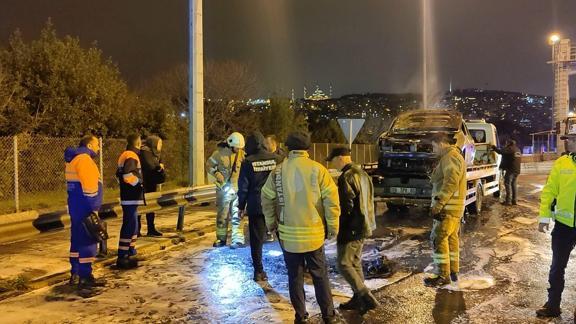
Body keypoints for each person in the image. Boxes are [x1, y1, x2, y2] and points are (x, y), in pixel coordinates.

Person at [262, 131, 341, 324]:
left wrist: (271, 223)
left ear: (288, 148)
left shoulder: (278, 171)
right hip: (314, 235)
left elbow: (266, 197)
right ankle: (329, 316)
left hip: (288, 236)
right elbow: (331, 201)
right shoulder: (318, 169)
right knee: (320, 276)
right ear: (307, 148)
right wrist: (333, 226)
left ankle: (300, 316)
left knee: (294, 278)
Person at [326, 147, 379, 314]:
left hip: (352, 227)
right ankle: (358, 298)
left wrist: (337, 226)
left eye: (333, 160)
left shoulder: (346, 176)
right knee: (354, 262)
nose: (332, 163)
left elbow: (346, 206)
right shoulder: (362, 173)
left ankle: (365, 296)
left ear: (341, 158)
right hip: (364, 224)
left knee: (343, 264)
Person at [535, 132, 576, 318]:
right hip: (564, 226)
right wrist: (544, 218)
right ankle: (552, 306)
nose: (568, 143)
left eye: (573, 140)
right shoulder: (562, 163)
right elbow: (549, 191)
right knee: (557, 268)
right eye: (568, 140)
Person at [237, 131, 282, 282]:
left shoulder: (248, 162)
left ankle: (258, 271)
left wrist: (241, 206)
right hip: (276, 205)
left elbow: (243, 187)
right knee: (284, 237)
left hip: (257, 205)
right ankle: (295, 267)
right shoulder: (277, 159)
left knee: (256, 241)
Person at [424, 133, 466, 287]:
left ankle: (443, 275)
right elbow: (445, 180)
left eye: (434, 146)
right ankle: (452, 271)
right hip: (453, 208)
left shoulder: (450, 156)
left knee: (438, 238)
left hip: (447, 208)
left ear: (442, 143)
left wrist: (438, 205)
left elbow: (450, 183)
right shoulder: (452, 156)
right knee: (451, 239)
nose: (434, 150)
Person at [65, 135, 105, 295]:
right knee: (88, 241)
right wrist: (94, 207)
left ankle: (75, 273)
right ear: (89, 144)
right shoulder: (84, 160)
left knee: (76, 240)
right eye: (97, 145)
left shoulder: (73, 159)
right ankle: (85, 278)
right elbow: (89, 187)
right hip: (85, 206)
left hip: (76, 205)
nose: (98, 148)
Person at [206, 132, 246, 248]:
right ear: (230, 144)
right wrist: (217, 173)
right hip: (224, 190)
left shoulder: (242, 155)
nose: (238, 150)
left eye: (239, 148)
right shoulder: (218, 154)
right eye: (236, 148)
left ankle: (237, 239)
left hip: (237, 190)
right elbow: (209, 165)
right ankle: (221, 239)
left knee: (237, 215)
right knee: (222, 216)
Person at [116, 134, 144, 270]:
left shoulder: (127, 154)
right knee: (130, 225)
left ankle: (130, 251)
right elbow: (127, 175)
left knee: (133, 225)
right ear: (138, 142)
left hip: (129, 196)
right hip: (130, 197)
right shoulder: (131, 155)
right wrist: (139, 182)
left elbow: (119, 174)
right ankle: (123, 254)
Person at [138, 135, 165, 237]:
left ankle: (151, 228)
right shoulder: (145, 152)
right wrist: (159, 166)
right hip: (144, 183)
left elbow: (159, 163)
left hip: (151, 183)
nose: (161, 146)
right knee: (141, 207)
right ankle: (137, 230)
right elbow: (151, 166)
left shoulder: (155, 153)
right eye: (159, 144)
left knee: (151, 207)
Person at [491, 139, 522, 205]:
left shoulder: (510, 149)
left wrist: (493, 147)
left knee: (507, 184)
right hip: (517, 170)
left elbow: (500, 152)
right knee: (513, 185)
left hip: (511, 170)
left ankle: (508, 201)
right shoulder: (518, 149)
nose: (506, 144)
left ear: (509, 143)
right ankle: (514, 200)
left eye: (506, 143)